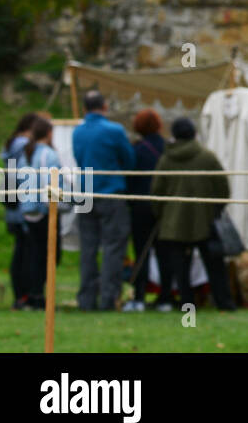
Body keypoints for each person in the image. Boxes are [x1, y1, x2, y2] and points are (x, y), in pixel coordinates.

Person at [150, 117, 236, 311]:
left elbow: (156, 192)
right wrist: (215, 211)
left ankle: (188, 306)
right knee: (215, 267)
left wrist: (162, 216)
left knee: (181, 271)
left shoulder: (166, 160)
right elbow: (223, 189)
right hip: (205, 221)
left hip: (173, 223)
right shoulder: (207, 157)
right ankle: (225, 303)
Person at [70, 90, 135, 311]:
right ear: (104, 106)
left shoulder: (77, 132)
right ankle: (109, 298)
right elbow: (129, 160)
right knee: (113, 246)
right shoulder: (114, 130)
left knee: (88, 248)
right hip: (110, 190)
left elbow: (79, 158)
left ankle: (86, 299)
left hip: (85, 189)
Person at [124, 108, 174, 312]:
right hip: (164, 207)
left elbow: (130, 179)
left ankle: (139, 296)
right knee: (165, 254)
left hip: (141, 206)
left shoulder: (136, 150)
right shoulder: (168, 148)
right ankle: (165, 298)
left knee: (141, 253)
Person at [18, 116, 66, 310]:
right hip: (44, 210)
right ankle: (38, 296)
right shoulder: (48, 154)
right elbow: (51, 184)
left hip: (28, 209)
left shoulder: (27, 153)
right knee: (48, 255)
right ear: (48, 133)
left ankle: (34, 294)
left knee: (36, 254)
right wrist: (55, 204)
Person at [2, 114, 35, 310]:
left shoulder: (9, 145)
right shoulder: (24, 146)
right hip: (24, 206)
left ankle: (19, 296)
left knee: (19, 251)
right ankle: (25, 295)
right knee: (27, 253)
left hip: (12, 206)